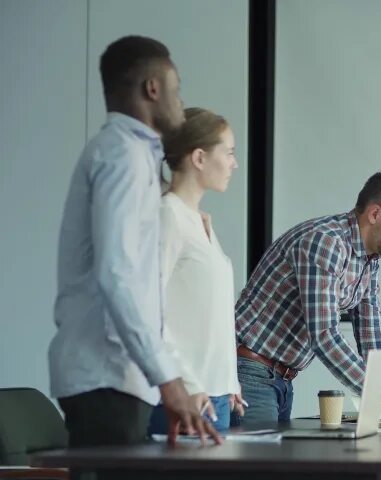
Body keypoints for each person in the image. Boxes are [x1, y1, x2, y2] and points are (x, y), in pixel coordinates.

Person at [49, 35, 220, 453]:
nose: (180, 103)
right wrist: (168, 379)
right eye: (176, 90)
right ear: (153, 89)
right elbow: (118, 276)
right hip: (105, 376)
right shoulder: (122, 155)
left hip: (118, 377)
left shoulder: (134, 155)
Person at [232, 170, 381, 425]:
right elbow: (324, 334)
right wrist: (380, 393)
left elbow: (371, 330)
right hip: (250, 372)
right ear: (375, 214)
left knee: (274, 462)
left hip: (280, 378)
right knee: (259, 463)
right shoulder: (326, 242)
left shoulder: (369, 258)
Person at [146, 107, 243, 435]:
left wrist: (229, 380)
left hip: (214, 395)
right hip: (185, 396)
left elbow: (210, 312)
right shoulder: (168, 215)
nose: (234, 164)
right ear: (199, 158)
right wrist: (185, 384)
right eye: (228, 153)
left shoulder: (199, 220)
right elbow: (149, 311)